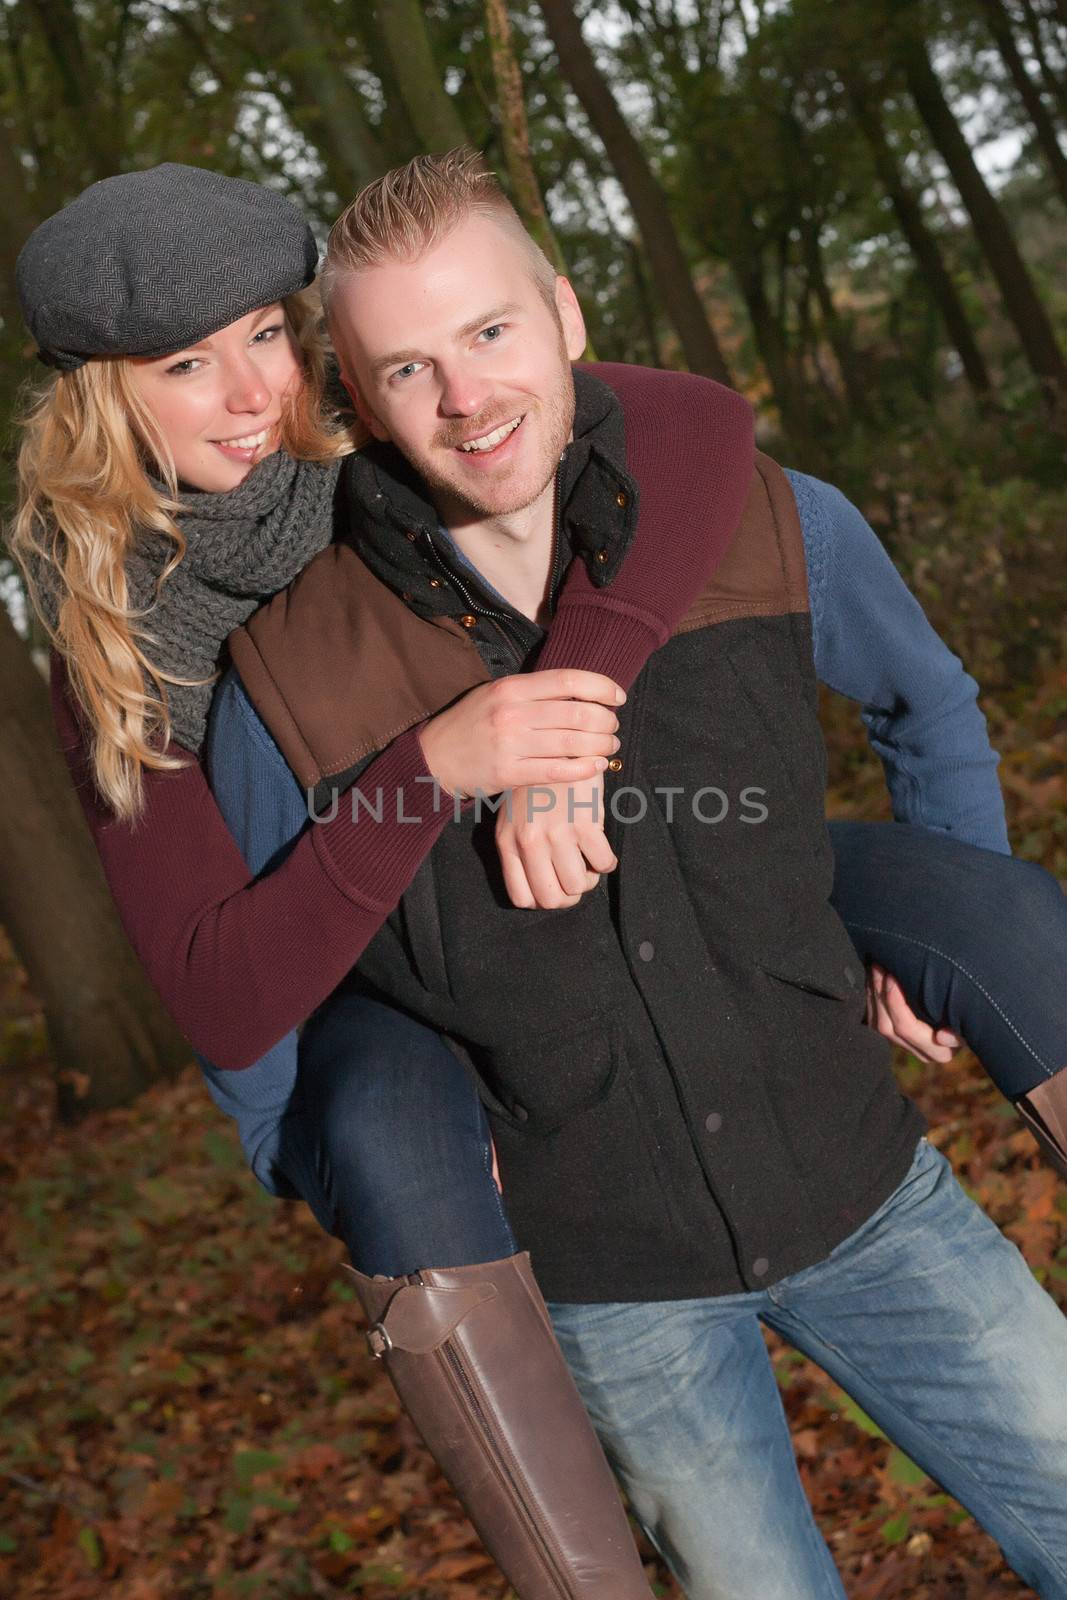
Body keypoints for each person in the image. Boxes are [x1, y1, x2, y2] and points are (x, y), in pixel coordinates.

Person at [11, 157, 1067, 1598]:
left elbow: (690, 423)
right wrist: (345, 1152)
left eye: (268, 336)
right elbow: (233, 979)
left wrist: (578, 689)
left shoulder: (399, 455)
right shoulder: (167, 664)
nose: (251, 396)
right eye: (186, 365)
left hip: (828, 1127)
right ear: (99, 403)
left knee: (968, 912)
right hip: (540, 1166)